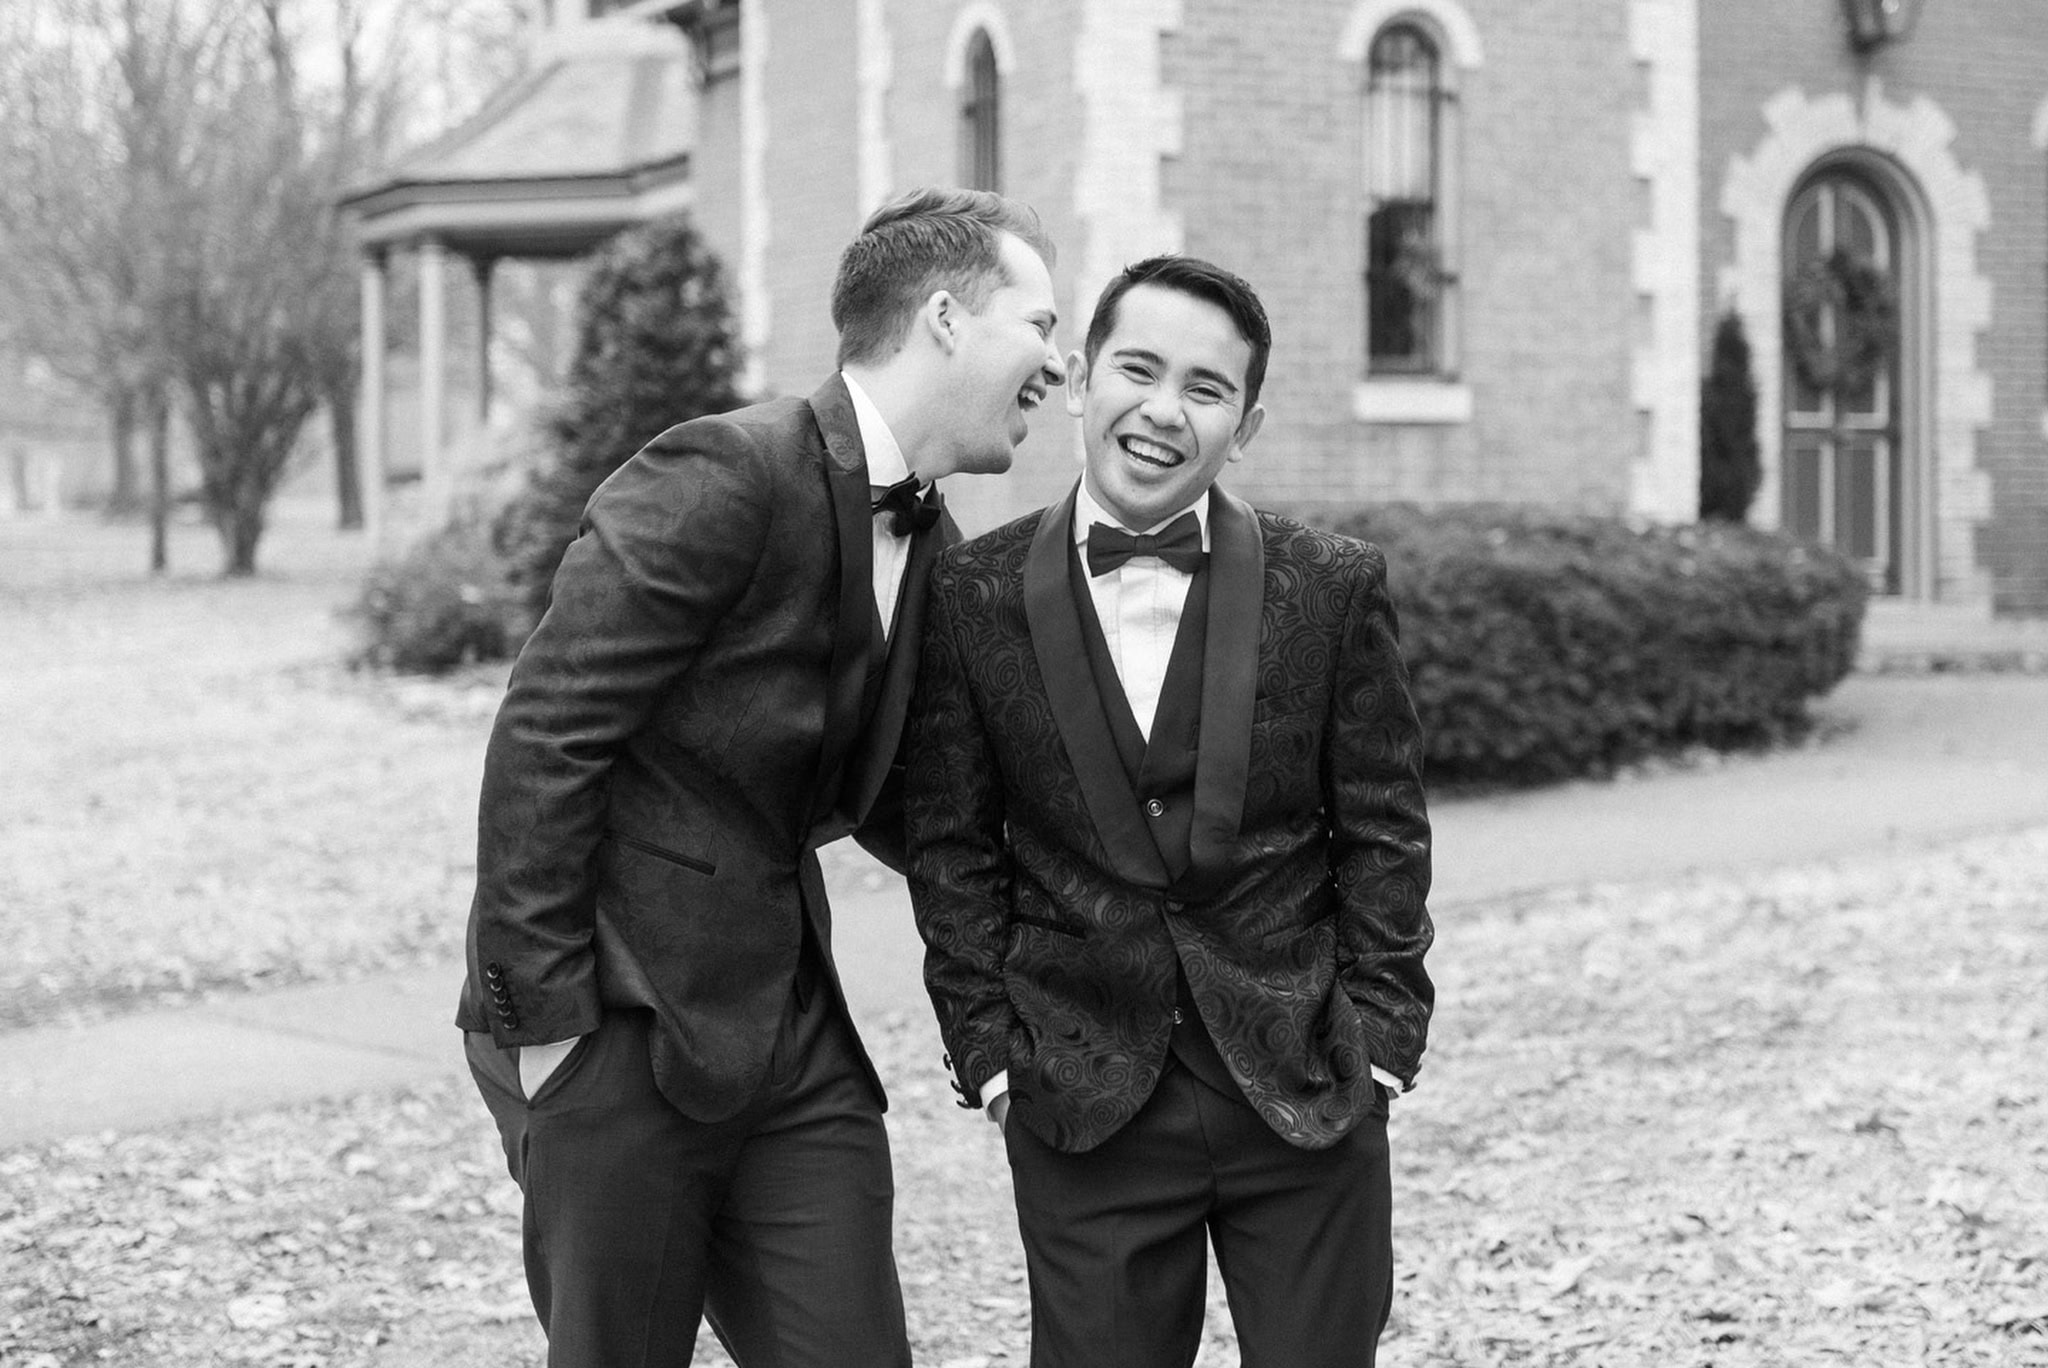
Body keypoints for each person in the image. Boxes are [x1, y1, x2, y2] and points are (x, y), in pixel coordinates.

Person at [457, 186, 1065, 1368]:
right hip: (618, 1024)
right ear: (944, 318)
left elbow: (914, 804)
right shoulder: (718, 473)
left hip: (794, 1046)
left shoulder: (932, 544)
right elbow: (546, 736)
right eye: (1039, 326)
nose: (1058, 365)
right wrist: (548, 1037)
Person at [906, 254, 1433, 1367]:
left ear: (1242, 425)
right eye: (1136, 369)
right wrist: (991, 1058)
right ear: (1082, 383)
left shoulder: (1330, 585)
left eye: (1204, 387)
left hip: (1304, 1084)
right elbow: (953, 850)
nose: (1162, 409)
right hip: (1080, 1099)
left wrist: (1379, 1045)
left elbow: (1383, 828)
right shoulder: (968, 595)